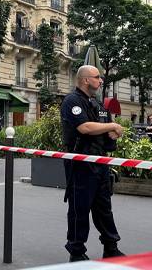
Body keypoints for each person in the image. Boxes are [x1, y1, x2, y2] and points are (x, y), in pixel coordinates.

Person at [60, 65, 124, 262]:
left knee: (104, 208)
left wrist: (112, 134)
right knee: (80, 209)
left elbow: (104, 132)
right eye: (97, 77)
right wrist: (112, 126)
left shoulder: (97, 104)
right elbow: (85, 127)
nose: (101, 80)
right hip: (80, 163)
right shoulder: (72, 101)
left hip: (100, 162)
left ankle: (111, 247)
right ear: (85, 80)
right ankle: (77, 252)